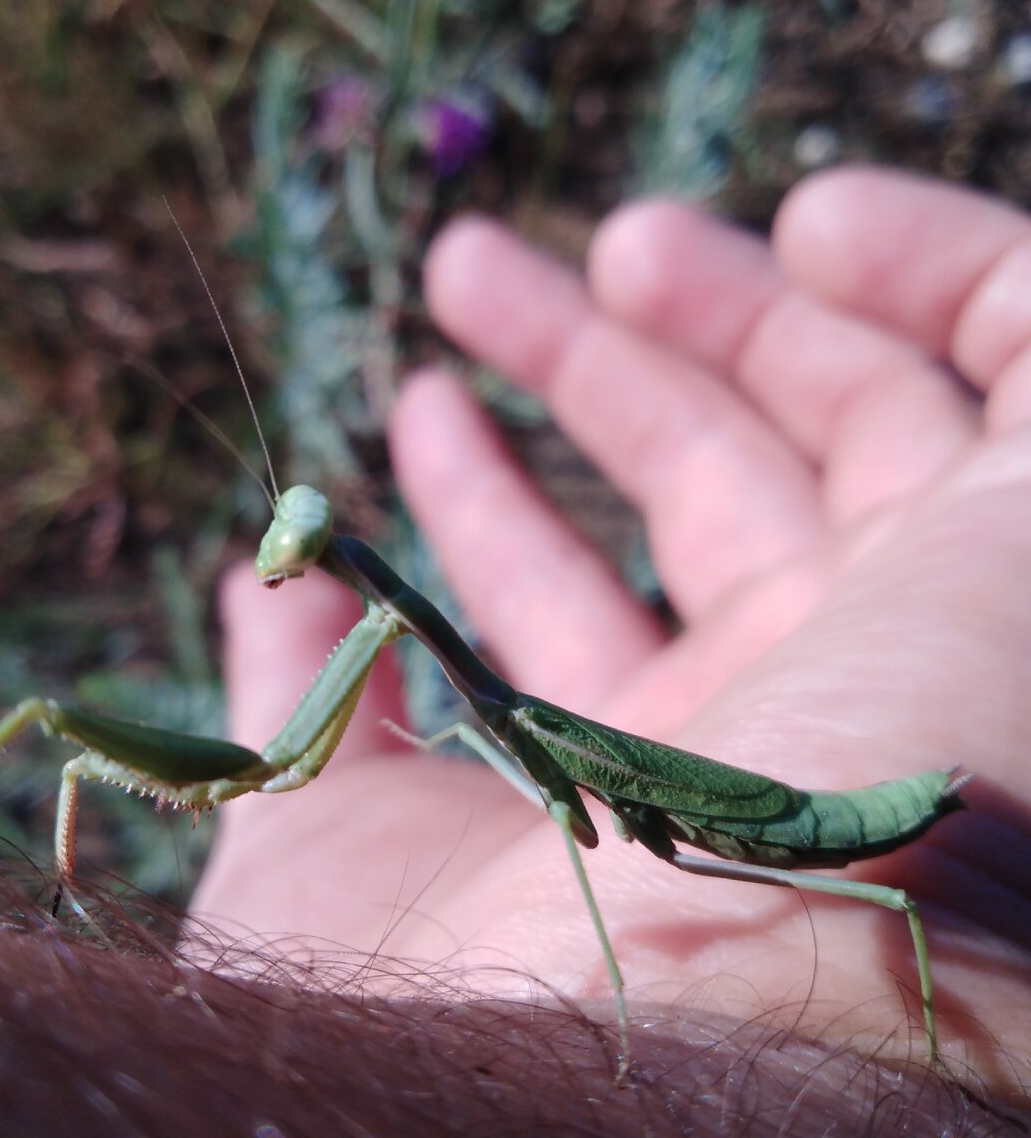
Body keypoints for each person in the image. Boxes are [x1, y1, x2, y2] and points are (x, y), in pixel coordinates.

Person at [191, 166, 1031, 1109]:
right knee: (486, 735)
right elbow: (526, 780)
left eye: (299, 545)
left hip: (814, 820)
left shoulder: (497, 703)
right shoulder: (483, 701)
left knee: (894, 897)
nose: (282, 560)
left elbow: (574, 835)